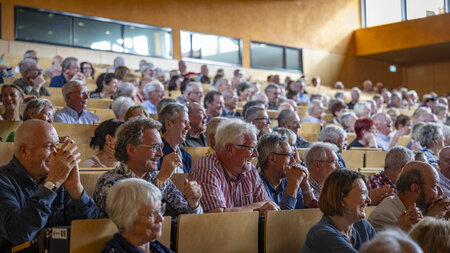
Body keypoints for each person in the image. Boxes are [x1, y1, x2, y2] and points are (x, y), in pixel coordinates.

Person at [0, 120, 98, 251]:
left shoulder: (59, 178)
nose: (55, 153)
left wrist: (76, 189)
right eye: (48, 146)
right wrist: (51, 183)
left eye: (57, 145)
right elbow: (20, 234)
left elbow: (89, 228)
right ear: (24, 151)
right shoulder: (4, 181)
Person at [93, 117, 202, 218]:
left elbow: (186, 218)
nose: (160, 153)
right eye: (155, 147)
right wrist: (161, 180)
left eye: (161, 147)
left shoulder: (156, 177)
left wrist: (193, 204)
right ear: (131, 150)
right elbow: (134, 219)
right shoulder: (109, 183)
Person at [188, 119, 279, 213]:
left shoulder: (250, 169)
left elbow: (268, 206)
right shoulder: (206, 167)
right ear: (230, 149)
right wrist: (256, 207)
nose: (256, 154)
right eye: (252, 148)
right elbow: (217, 216)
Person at [301, 169, 375, 253]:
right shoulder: (321, 234)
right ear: (341, 199)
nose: (369, 200)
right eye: (363, 193)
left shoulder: (363, 226)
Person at [368, 161, 450, 232]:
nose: (440, 192)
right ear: (416, 190)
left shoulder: (424, 208)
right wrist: (432, 219)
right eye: (435, 187)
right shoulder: (384, 216)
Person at [101, 178, 173, 253]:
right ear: (127, 220)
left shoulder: (157, 247)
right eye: (152, 213)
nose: (161, 219)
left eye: (160, 210)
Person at [257, 132, 316, 209]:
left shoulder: (290, 178)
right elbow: (280, 218)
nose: (293, 161)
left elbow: (311, 214)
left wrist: (305, 184)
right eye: (289, 156)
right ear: (272, 159)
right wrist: (293, 184)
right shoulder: (257, 184)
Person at [157, 103, 193, 173]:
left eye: (188, 122)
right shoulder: (156, 155)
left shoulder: (186, 157)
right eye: (185, 122)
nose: (189, 127)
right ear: (169, 124)